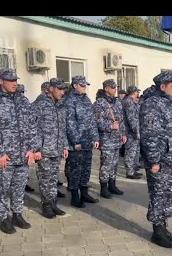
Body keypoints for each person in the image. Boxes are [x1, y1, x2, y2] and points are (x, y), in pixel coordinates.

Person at [0, 69, 38, 234]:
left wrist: (32, 149)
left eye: (15, 80)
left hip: (23, 155)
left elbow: (32, 126)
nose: (14, 83)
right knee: (2, 188)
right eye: (10, 80)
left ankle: (17, 214)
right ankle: (3, 217)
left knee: (19, 187)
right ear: (1, 81)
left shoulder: (22, 100)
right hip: (5, 156)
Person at [139, 70, 172, 249]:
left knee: (169, 194)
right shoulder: (152, 105)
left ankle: (163, 227)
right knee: (158, 194)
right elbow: (150, 135)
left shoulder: (169, 102)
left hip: (170, 159)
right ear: (162, 87)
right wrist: (154, 161)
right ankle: (157, 231)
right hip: (159, 160)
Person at [31, 78, 69, 218]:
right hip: (44, 150)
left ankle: (53, 203)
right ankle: (46, 205)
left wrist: (64, 146)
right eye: (59, 89)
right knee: (45, 179)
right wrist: (36, 149)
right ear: (51, 89)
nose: (62, 92)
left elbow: (62, 128)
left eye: (63, 89)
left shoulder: (59, 106)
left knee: (53, 179)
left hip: (57, 149)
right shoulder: (39, 105)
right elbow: (32, 128)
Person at [64, 75, 100, 208]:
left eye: (85, 85)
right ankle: (74, 196)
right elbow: (70, 123)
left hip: (87, 142)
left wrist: (95, 138)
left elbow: (92, 121)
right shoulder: (69, 100)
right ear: (75, 85)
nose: (85, 88)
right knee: (75, 170)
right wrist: (75, 141)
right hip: (77, 144)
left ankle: (84, 193)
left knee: (86, 169)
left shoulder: (86, 100)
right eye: (82, 85)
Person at [94, 79, 127, 198]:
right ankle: (103, 187)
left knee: (114, 163)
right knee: (106, 163)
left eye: (115, 87)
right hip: (107, 138)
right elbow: (97, 121)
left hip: (117, 138)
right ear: (106, 88)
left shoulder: (117, 102)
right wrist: (110, 126)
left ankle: (112, 184)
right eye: (113, 87)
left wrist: (123, 133)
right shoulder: (100, 103)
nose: (115, 89)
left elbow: (121, 120)